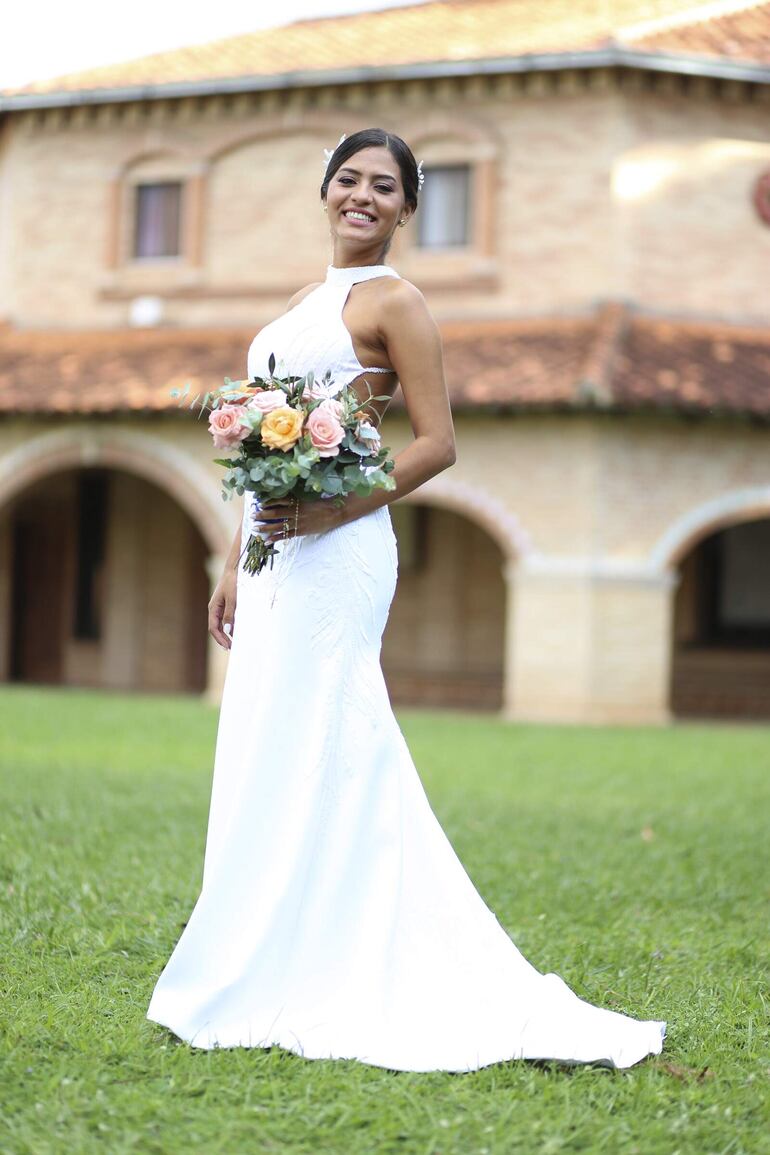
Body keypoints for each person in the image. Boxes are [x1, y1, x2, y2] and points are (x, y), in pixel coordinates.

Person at [146, 128, 666, 1071]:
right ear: (326, 190)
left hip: (341, 550)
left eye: (385, 187)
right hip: (276, 551)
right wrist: (237, 555)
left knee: (332, 733)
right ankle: (264, 940)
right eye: (349, 179)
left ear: (406, 209)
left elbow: (435, 443)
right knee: (268, 731)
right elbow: (268, 451)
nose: (363, 196)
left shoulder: (398, 301)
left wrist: (333, 510)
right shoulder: (306, 302)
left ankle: (339, 948)